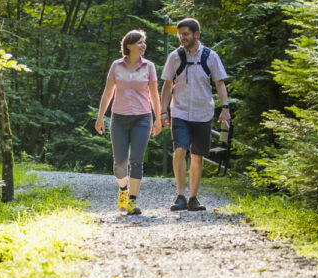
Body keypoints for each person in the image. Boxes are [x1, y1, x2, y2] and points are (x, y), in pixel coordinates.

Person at [159, 17, 230, 212]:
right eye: (180, 34)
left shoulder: (210, 57)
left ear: (196, 34)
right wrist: (163, 110)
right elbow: (167, 84)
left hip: (203, 113)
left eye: (186, 34)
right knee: (180, 150)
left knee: (197, 156)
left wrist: (225, 107)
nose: (182, 37)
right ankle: (180, 195)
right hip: (180, 111)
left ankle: (193, 198)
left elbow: (220, 83)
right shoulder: (175, 57)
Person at [95, 29, 163, 214]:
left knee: (136, 161)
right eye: (140, 42)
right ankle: (123, 190)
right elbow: (108, 93)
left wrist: (158, 118)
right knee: (119, 162)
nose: (144, 46)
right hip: (119, 118)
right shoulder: (116, 66)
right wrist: (100, 116)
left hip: (142, 118)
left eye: (144, 42)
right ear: (129, 45)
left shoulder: (149, 66)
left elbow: (154, 95)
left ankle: (132, 201)